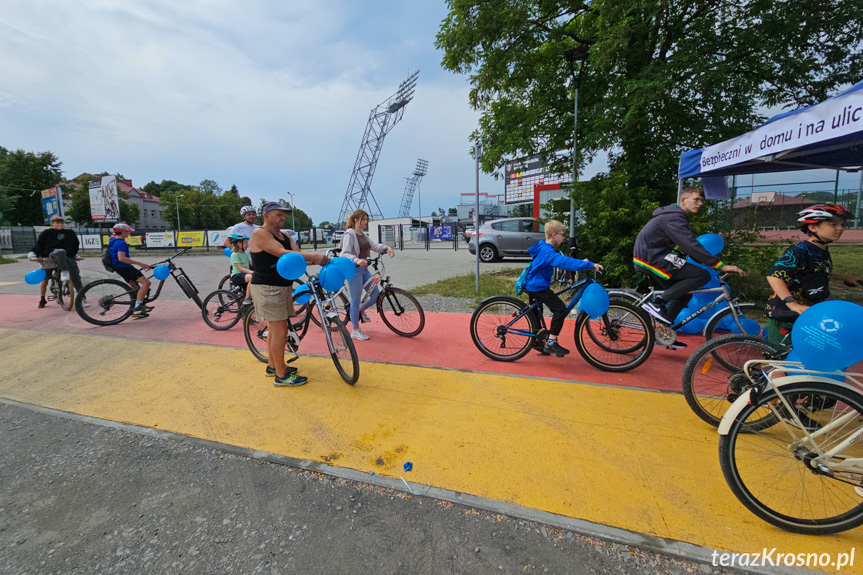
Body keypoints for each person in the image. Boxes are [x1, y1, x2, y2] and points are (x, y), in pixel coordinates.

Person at [633, 186, 746, 331]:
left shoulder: (674, 216)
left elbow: (688, 245)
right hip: (651, 257)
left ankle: (664, 332)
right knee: (701, 275)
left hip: (655, 255)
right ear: (683, 200)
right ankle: (657, 303)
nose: (700, 204)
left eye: (702, 201)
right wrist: (719, 265)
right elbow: (690, 244)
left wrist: (710, 262)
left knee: (684, 293)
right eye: (696, 200)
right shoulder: (674, 217)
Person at [250, 201, 328, 387]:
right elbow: (282, 253)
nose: (282, 217)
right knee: (280, 330)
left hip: (282, 286)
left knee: (276, 327)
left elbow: (297, 255)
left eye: (284, 214)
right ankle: (281, 376)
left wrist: (316, 261)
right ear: (266, 216)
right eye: (278, 214)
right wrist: (315, 256)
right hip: (267, 288)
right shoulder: (259, 233)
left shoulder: (284, 235)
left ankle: (272, 366)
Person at [764, 203, 858, 345]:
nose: (840, 229)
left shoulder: (821, 250)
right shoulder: (799, 251)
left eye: (842, 225)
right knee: (783, 358)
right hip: (786, 313)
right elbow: (774, 276)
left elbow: (812, 272)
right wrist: (792, 304)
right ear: (812, 227)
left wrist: (844, 278)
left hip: (809, 311)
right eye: (833, 224)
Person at [524, 220, 603, 357]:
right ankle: (552, 342)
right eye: (562, 235)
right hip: (537, 286)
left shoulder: (544, 248)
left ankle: (538, 342)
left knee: (537, 315)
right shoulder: (547, 250)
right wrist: (588, 265)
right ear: (554, 235)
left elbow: (561, 260)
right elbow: (562, 262)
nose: (564, 238)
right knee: (560, 309)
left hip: (535, 284)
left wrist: (581, 263)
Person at [339, 209, 394, 341]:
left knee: (375, 295)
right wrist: (357, 260)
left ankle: (359, 310)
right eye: (363, 219)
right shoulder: (350, 234)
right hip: (354, 270)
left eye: (366, 220)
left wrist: (386, 247)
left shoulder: (363, 234)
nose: (365, 222)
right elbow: (344, 253)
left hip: (364, 270)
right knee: (355, 300)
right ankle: (355, 330)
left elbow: (374, 246)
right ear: (356, 220)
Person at [32, 215, 87, 309]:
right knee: (45, 278)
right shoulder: (47, 232)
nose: (60, 225)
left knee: (76, 276)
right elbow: (39, 245)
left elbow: (75, 244)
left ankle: (82, 298)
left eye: (61, 223)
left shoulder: (69, 232)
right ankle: (42, 299)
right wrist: (42, 256)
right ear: (52, 224)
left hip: (67, 257)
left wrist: (73, 254)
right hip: (51, 256)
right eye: (57, 223)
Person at [109, 223, 153, 317]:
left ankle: (137, 309)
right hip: (125, 267)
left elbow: (112, 235)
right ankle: (138, 307)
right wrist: (141, 264)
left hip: (117, 267)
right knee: (146, 283)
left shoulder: (113, 240)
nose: (129, 233)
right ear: (124, 232)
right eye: (128, 231)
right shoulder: (121, 242)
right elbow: (121, 258)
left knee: (135, 287)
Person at [228, 233, 253, 305]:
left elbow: (252, 264)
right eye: (245, 243)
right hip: (237, 275)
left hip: (244, 275)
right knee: (252, 277)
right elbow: (240, 268)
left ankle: (243, 309)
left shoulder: (245, 254)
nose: (247, 244)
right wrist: (252, 272)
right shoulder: (234, 255)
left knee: (241, 296)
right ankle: (248, 298)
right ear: (239, 244)